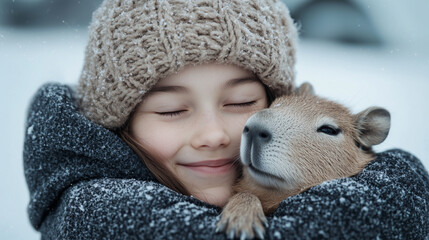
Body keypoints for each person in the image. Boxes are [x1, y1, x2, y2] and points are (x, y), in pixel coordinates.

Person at [24, 0, 429, 239]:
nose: (215, 134)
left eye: (240, 103)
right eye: (170, 110)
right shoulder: (95, 212)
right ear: (120, 125)